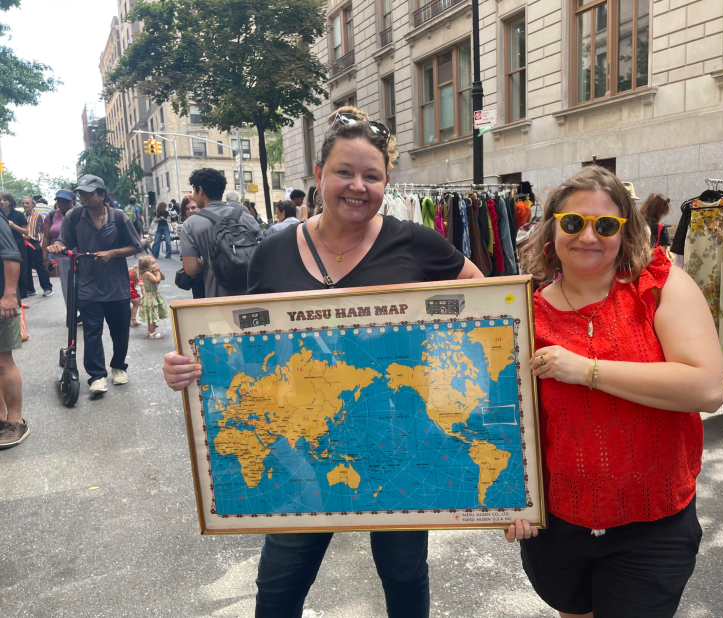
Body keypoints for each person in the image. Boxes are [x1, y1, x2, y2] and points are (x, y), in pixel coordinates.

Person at [162, 105, 483, 618]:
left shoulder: (414, 242)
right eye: (345, 172)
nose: (358, 185)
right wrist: (190, 365)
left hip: (396, 442)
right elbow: (246, 350)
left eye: (372, 176)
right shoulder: (272, 252)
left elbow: (483, 302)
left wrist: (441, 365)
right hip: (302, 439)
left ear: (386, 182)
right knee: (280, 585)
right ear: (318, 176)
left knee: (404, 577)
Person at [507, 166, 723, 618]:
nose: (588, 236)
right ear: (551, 229)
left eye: (605, 225)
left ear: (624, 233)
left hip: (653, 525)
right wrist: (510, 496)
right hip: (558, 523)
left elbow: (706, 387)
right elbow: (506, 417)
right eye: (573, 223)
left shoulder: (659, 287)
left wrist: (588, 370)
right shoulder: (521, 313)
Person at [46, 175, 142, 395]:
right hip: (87, 285)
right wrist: (57, 246)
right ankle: (97, 376)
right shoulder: (74, 216)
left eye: (89, 193)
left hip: (117, 285)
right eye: (81, 193)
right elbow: (63, 240)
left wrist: (112, 253)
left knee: (120, 331)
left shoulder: (118, 217)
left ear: (101, 194)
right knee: (92, 332)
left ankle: (119, 366)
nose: (84, 197)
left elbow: (135, 246)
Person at [178, 168, 262, 298]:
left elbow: (191, 268)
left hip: (217, 297)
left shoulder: (191, 224)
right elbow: (261, 252)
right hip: (252, 291)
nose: (194, 195)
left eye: (194, 190)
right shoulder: (245, 216)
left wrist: (206, 260)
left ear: (200, 190)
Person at [0, 204, 26, 449]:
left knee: (2, 361)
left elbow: (11, 255)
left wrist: (9, 295)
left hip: (0, 300)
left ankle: (15, 421)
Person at [41, 190, 76, 306]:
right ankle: (72, 314)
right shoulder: (51, 216)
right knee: (67, 286)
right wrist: (45, 258)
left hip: (79, 256)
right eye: (59, 201)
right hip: (62, 258)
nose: (62, 204)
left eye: (65, 201)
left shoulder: (80, 213)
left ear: (73, 201)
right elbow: (46, 237)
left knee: (83, 286)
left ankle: (85, 311)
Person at [21, 196, 54, 297]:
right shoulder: (22, 215)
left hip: (35, 242)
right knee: (26, 267)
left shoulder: (39, 216)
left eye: (27, 203)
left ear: (33, 205)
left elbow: (45, 230)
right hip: (24, 242)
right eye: (24, 203)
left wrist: (42, 242)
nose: (25, 205)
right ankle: (30, 289)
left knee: (40, 266)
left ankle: (47, 288)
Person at [0, 194, 30, 303]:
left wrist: (13, 226)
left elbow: (26, 232)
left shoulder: (18, 215)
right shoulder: (1, 214)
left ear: (10, 202)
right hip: (3, 246)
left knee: (20, 270)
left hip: (18, 244)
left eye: (5, 200)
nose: (2, 202)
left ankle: (21, 297)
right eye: (0, 200)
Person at [138, 256, 168, 339]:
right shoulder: (147, 274)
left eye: (155, 262)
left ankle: (152, 331)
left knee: (153, 313)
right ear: (145, 266)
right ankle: (151, 333)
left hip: (154, 295)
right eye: (152, 263)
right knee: (151, 315)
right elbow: (157, 280)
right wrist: (157, 271)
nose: (155, 264)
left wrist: (158, 270)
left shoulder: (152, 272)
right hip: (150, 296)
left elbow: (163, 278)